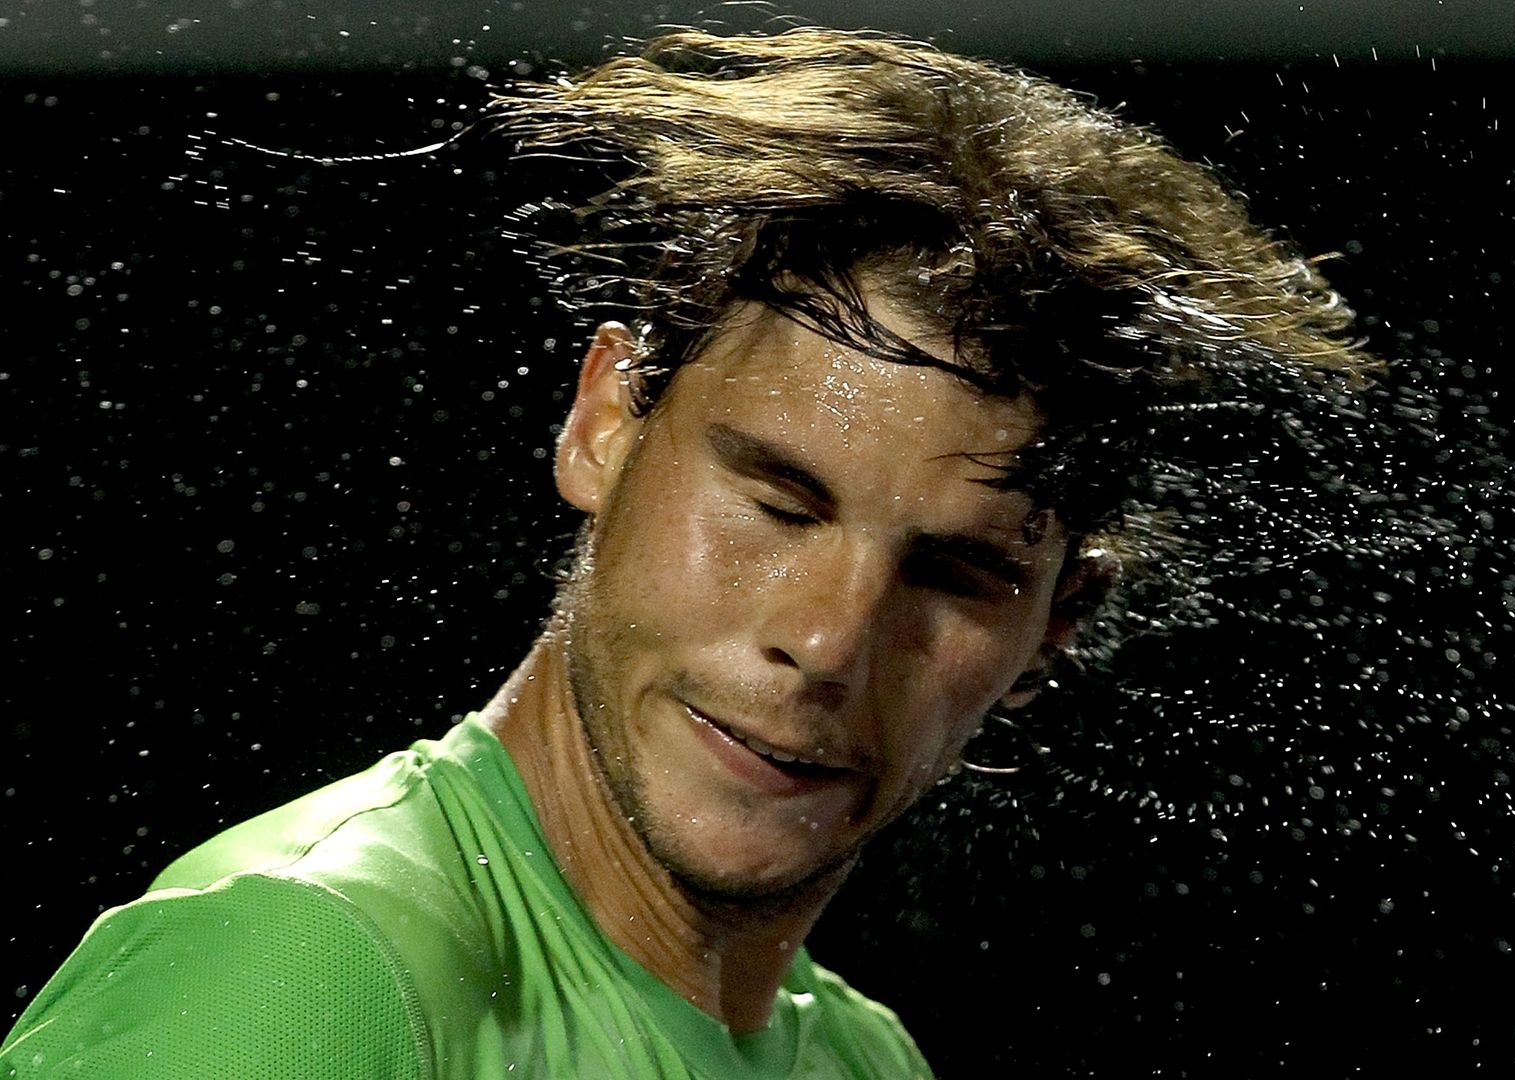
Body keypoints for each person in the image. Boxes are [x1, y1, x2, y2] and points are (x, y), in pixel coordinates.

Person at [1, 27, 1372, 1078]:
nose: (828, 643)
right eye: (778, 501)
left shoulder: (859, 1060)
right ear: (605, 423)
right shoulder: (298, 972)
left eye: (954, 576)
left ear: (1051, 632)